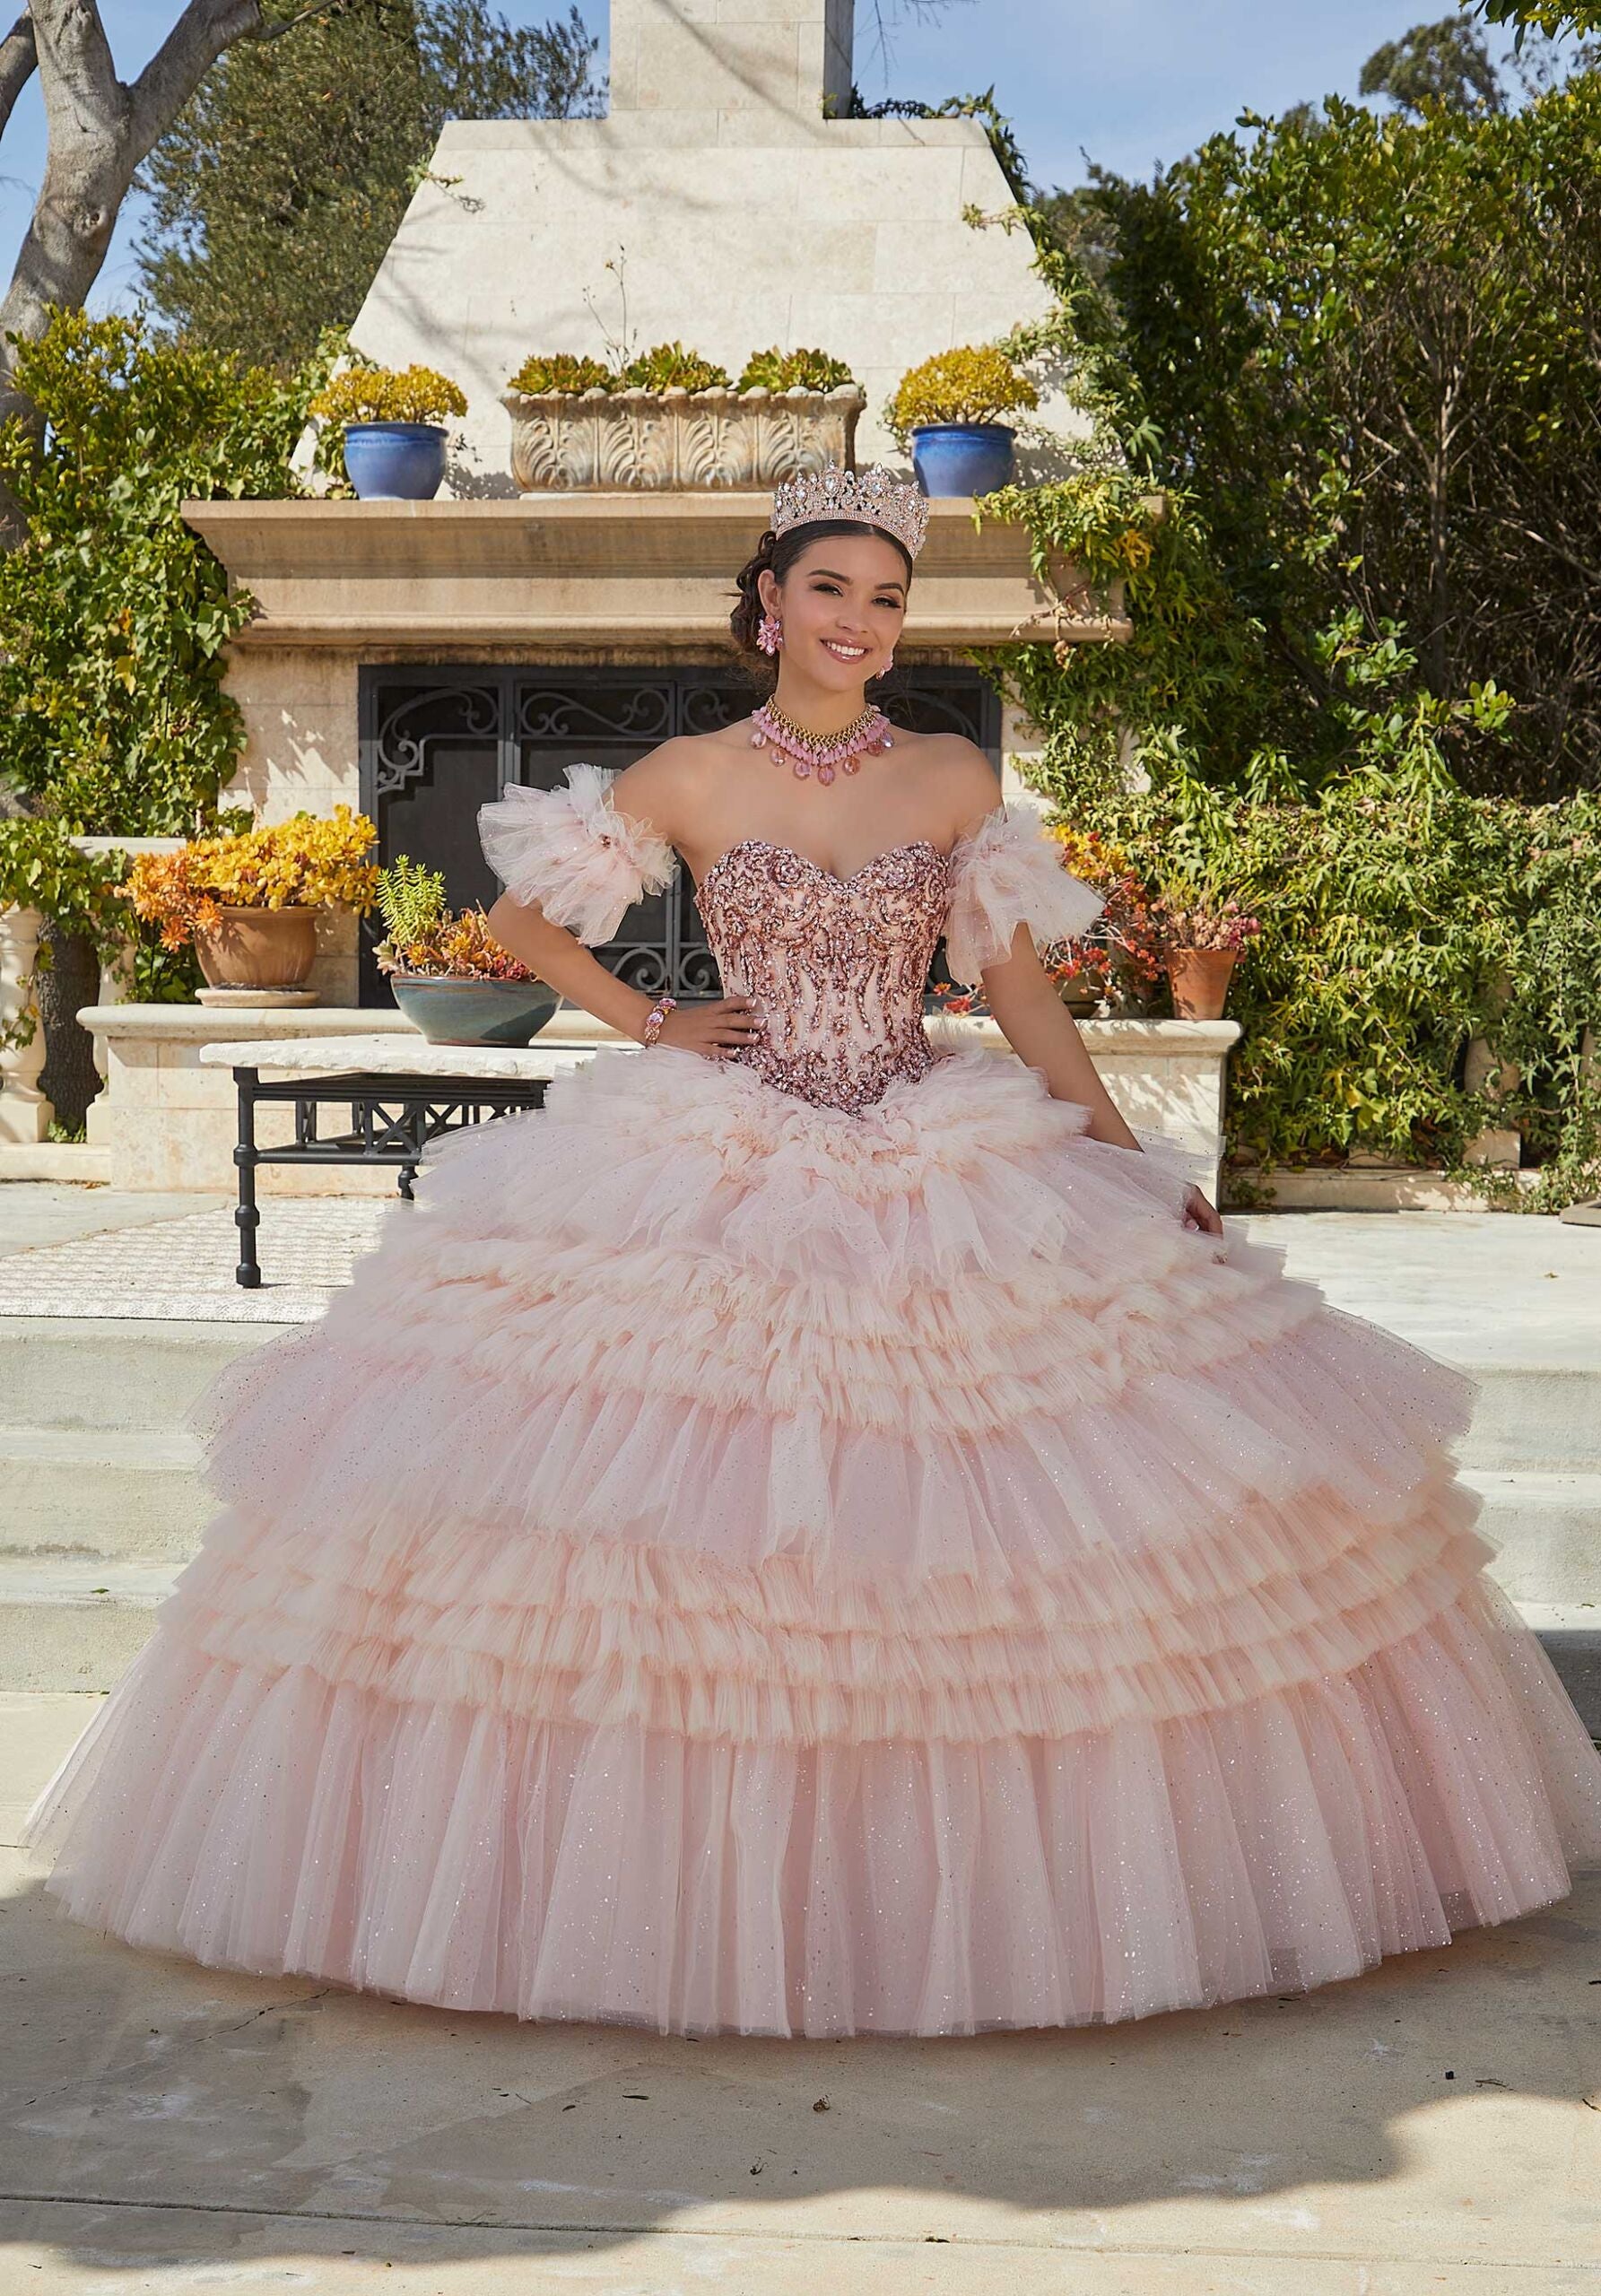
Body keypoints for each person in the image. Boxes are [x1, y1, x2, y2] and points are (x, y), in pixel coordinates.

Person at [22, 464, 1601, 2039]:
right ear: (770, 604)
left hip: (932, 1142)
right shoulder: (691, 776)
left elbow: (1019, 992)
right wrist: (652, 1019)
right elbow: (516, 926)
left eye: (888, 597)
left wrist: (1124, 1160)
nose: (859, 621)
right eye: (831, 590)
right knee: (677, 1535)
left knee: (1008, 1528)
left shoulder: (949, 779)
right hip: (728, 1144)